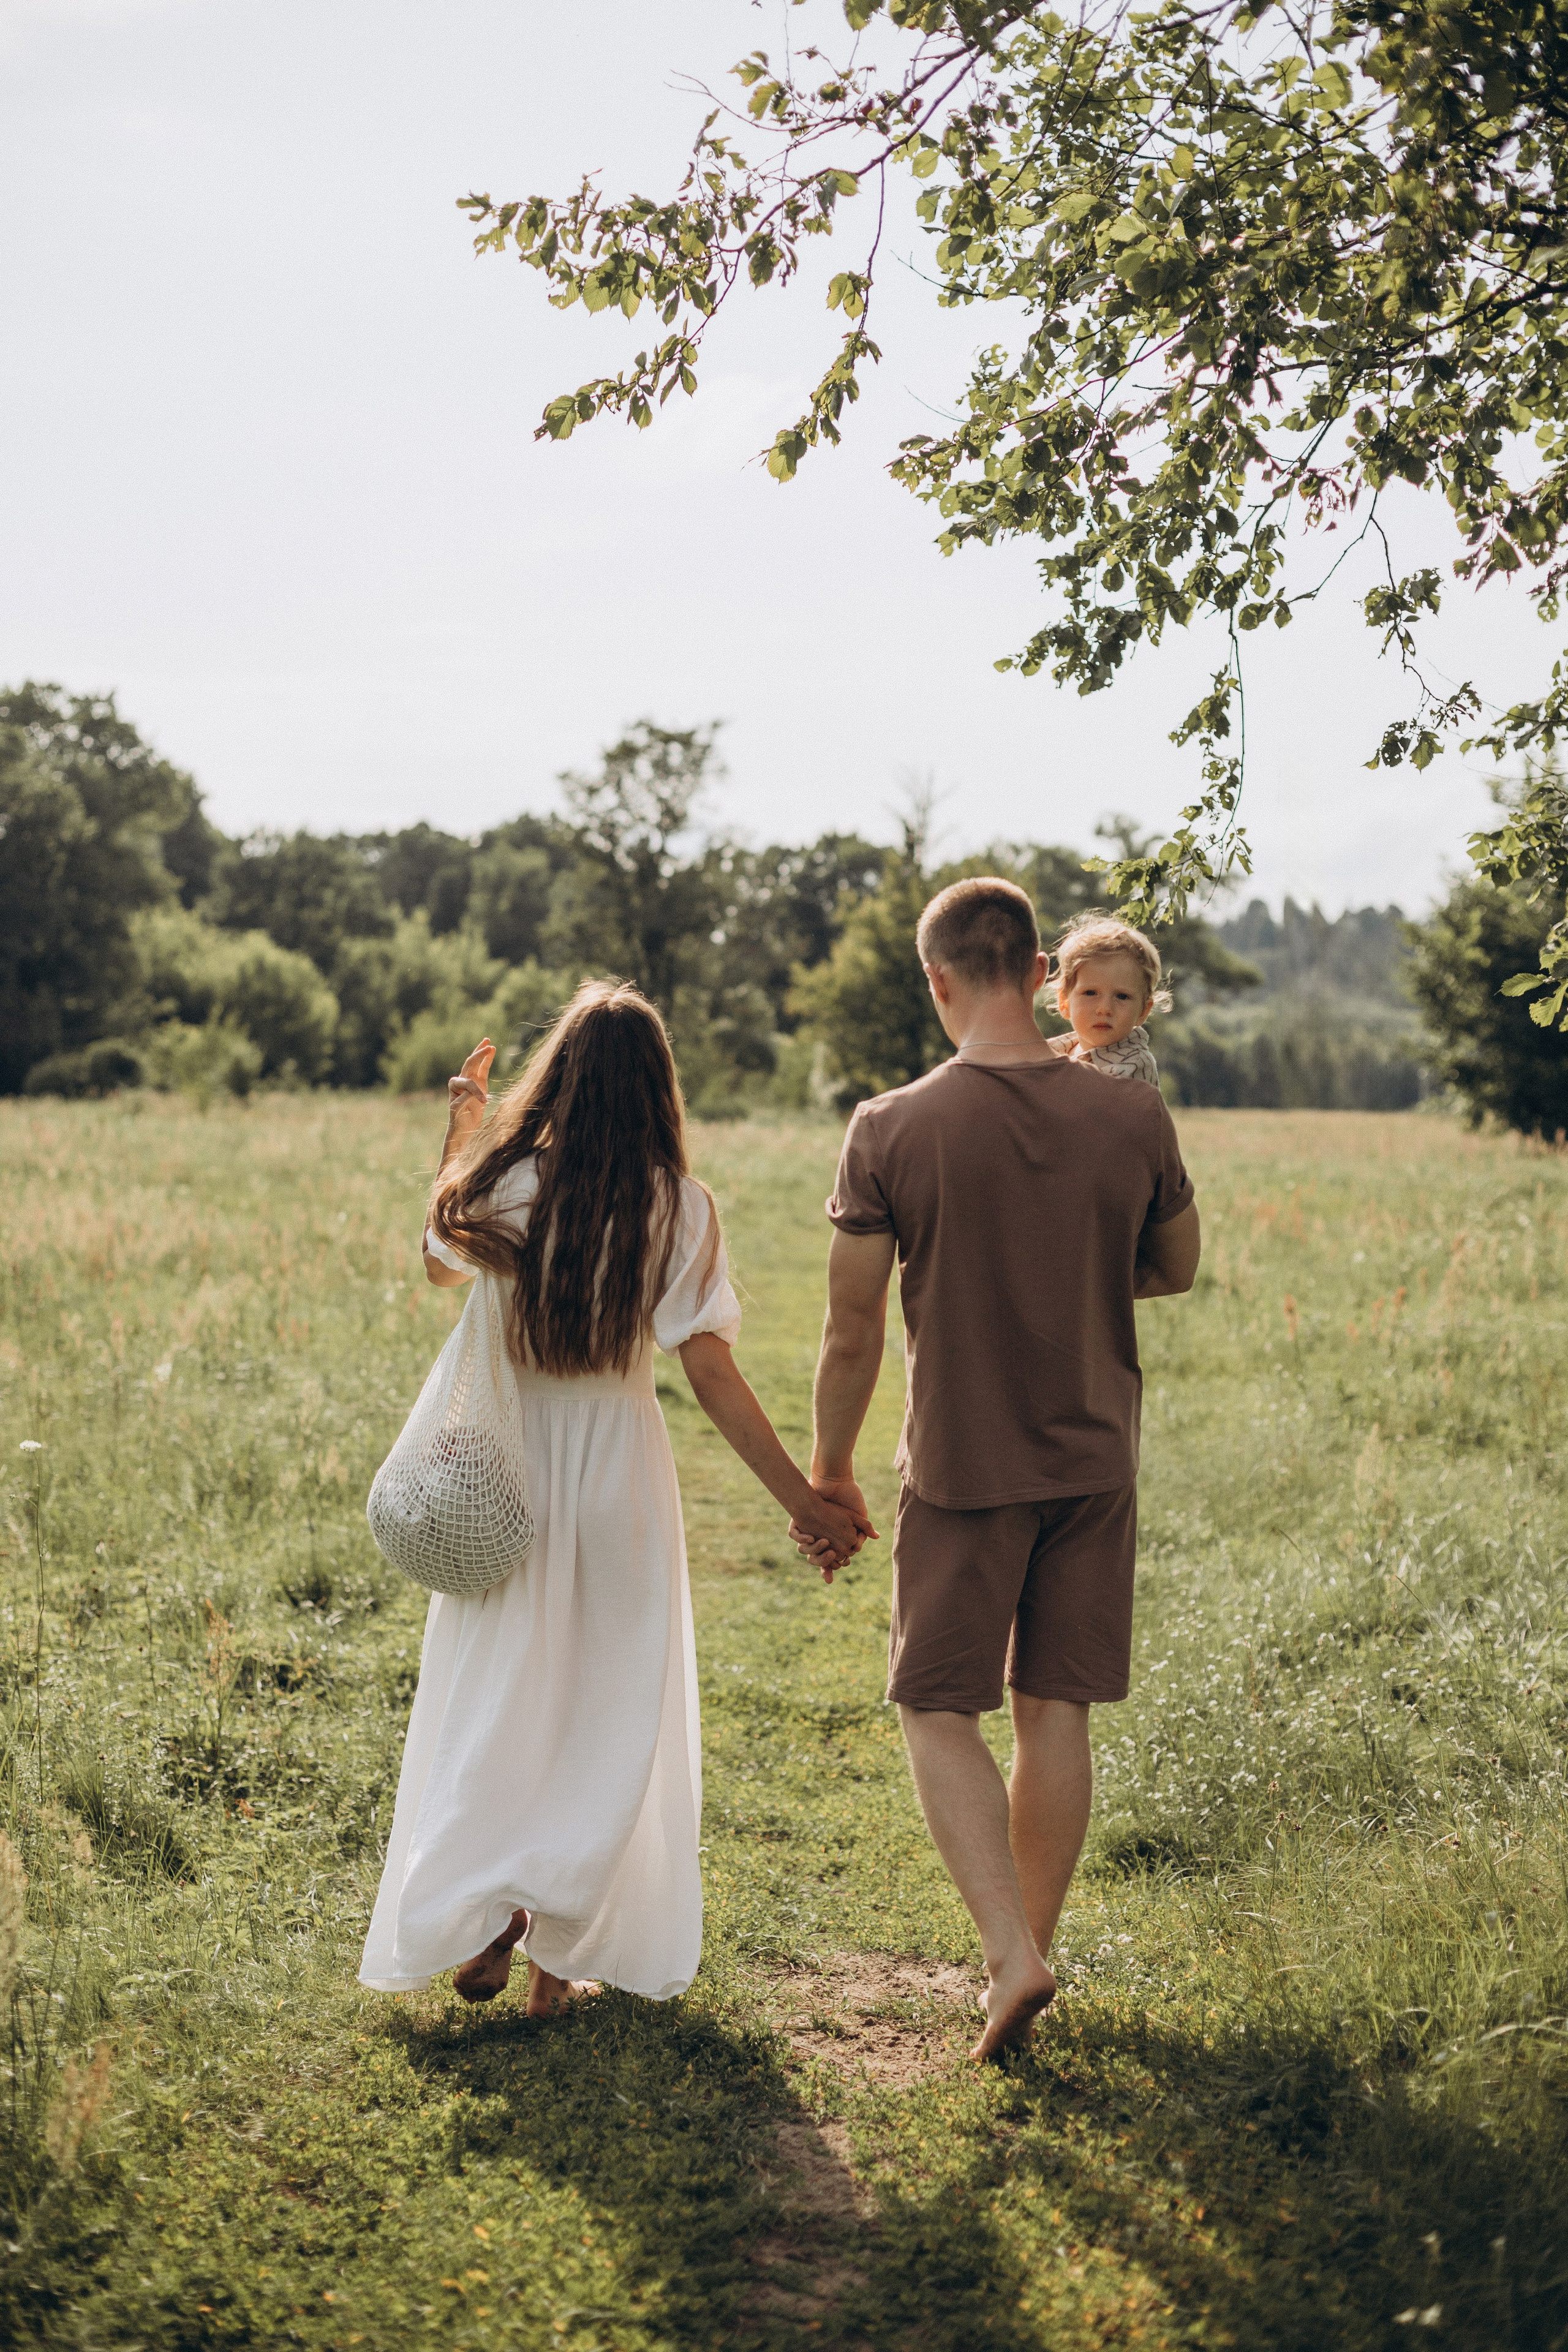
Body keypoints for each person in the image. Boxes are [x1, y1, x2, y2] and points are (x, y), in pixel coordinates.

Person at [360, 982, 867, 2019]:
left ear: (558, 1077)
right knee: (607, 1704)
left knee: (501, 1694)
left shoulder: (501, 1184)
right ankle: (556, 1962)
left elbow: (435, 1270)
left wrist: (465, 1128)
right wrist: (804, 1502)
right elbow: (713, 1375)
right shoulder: (678, 1204)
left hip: (503, 1472)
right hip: (617, 1472)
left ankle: (490, 1907)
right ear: (657, 1090)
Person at [790, 878, 1200, 2062]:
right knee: (1052, 1704)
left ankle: (1008, 1955)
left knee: (933, 1705)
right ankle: (1029, 1951)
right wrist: (1064, 1269)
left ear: (938, 981)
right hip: (1092, 1456)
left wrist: (830, 1470)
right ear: (1037, 974)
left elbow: (853, 1328)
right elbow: (1171, 1269)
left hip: (966, 1466)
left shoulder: (890, 1125)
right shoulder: (1134, 1118)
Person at [1044, 913, 1171, 1088]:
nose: (1104, 1009)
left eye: (1122, 996)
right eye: (1090, 993)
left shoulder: (1133, 1064)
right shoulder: (1058, 1048)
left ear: (1143, 1011)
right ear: (1064, 1002)